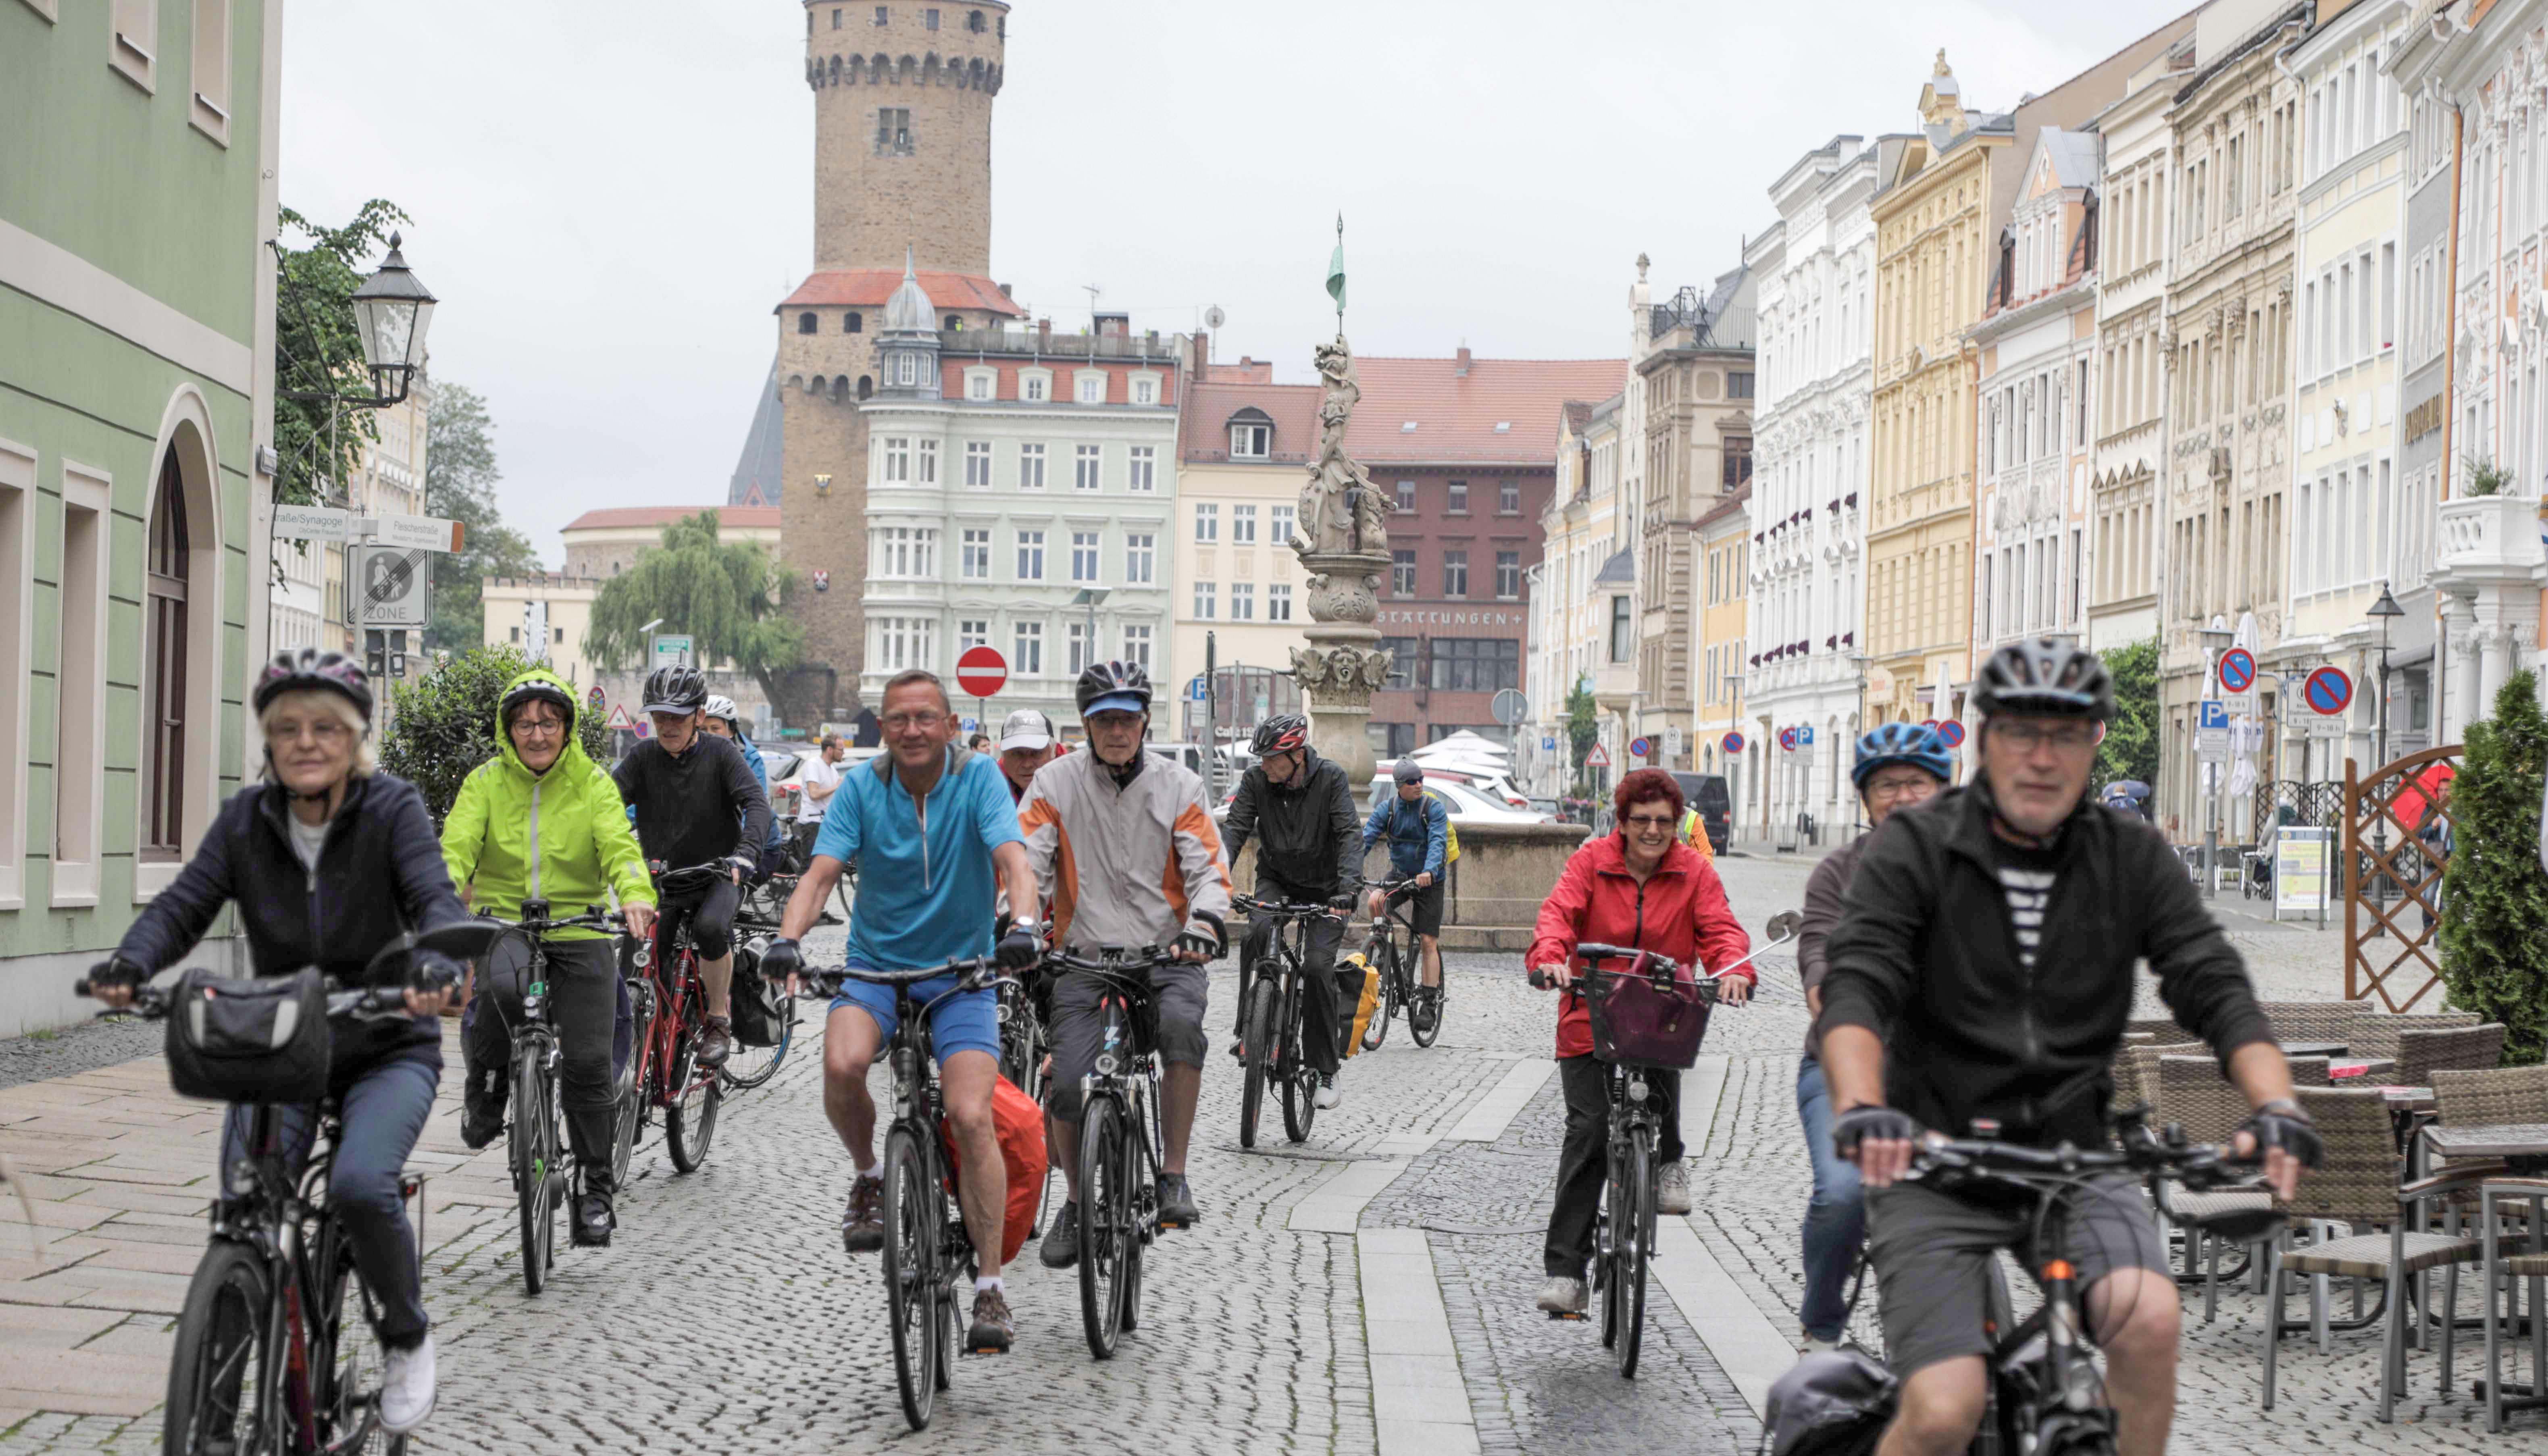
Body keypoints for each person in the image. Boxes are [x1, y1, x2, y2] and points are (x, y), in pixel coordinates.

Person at [1820, 637, 2317, 1456]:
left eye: (2067, 735)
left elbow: (2212, 984)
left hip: (2076, 1158)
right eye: (2021, 733)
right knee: (1945, 1408)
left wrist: (2276, 1105)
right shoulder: (1915, 848)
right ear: (1984, 740)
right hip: (1934, 1164)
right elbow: (1858, 989)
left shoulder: (2129, 857)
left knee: (2149, 1321)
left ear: (2093, 746)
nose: (2041, 757)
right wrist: (1864, 1108)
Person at [84, 651, 467, 1436]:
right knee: (242, 1216)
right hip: (281, 1044)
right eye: (287, 727)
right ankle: (213, 1427)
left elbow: (432, 896)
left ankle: (406, 1336)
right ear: (268, 739)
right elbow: (185, 903)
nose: (305, 741)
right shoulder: (244, 821)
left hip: (384, 1040)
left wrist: (434, 965)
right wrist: (131, 962)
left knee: (361, 1185)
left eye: (326, 727)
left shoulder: (392, 810)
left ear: (355, 739)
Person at [758, 669, 1044, 1352]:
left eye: (925, 717)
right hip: (876, 970)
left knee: (973, 1114)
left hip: (961, 977)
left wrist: (1024, 925)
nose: (912, 730)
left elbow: (1013, 860)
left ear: (949, 724)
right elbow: (820, 873)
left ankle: (990, 1286)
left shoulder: (977, 781)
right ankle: (868, 1175)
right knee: (842, 1061)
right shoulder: (862, 788)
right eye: (898, 719)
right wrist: (785, 940)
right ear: (882, 728)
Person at [1024, 662, 1232, 1265]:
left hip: (1168, 952)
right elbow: (1027, 863)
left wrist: (1205, 924)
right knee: (1065, 1083)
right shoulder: (1053, 784)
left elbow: (1208, 870)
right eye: (1104, 720)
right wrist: (1016, 924)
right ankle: (1071, 1200)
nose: (1117, 731)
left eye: (1127, 719)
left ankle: (1173, 1175)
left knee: (1181, 1031)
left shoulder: (1180, 786)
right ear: (1087, 726)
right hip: (1083, 956)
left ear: (1144, 723)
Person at [1524, 768, 1751, 1316]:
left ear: (1678, 825)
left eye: (1664, 822)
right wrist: (1552, 957)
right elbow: (1558, 914)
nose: (1653, 831)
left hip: (1658, 1011)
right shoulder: (1590, 863)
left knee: (1662, 1060)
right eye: (1642, 821)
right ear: (1622, 823)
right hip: (1589, 1011)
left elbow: (1720, 929)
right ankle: (1567, 1275)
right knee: (1588, 1133)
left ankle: (1669, 1158)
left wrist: (1733, 969)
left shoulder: (1694, 872)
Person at [442, 668, 656, 1245]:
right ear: (508, 730)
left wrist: (635, 893)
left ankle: (595, 1191)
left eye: (549, 722)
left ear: (566, 728)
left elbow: (619, 844)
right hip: (506, 923)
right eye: (525, 724)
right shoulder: (485, 783)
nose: (537, 734)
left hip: (580, 927)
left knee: (588, 1061)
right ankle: (486, 1095)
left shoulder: (592, 783)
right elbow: (457, 846)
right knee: (496, 1007)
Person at [1789, 723, 1951, 1353]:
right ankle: (1822, 1328)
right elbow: (1823, 976)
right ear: (1866, 799)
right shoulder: (1838, 876)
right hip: (1841, 1073)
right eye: (1887, 785)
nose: (1902, 796)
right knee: (1844, 1193)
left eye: (1916, 782)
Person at [611, 665, 772, 1069]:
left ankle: (717, 1019)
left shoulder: (721, 754)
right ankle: (635, 1040)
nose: (667, 726)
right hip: (662, 879)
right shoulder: (642, 757)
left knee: (710, 929)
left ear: (699, 716)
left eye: (677, 717)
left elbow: (756, 804)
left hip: (718, 874)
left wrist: (747, 853)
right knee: (640, 948)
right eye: (659, 717)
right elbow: (603, 805)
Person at [1222, 714, 1361, 1109]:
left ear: (1297, 756)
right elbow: (1233, 830)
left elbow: (1350, 834)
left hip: (1329, 889)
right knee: (1255, 933)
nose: (1264, 766)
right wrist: (1211, 879)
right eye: (1261, 758)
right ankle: (1248, 1030)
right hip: (1277, 879)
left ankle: (1324, 1068)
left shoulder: (1330, 779)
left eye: (1271, 759)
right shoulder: (1255, 782)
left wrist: (1348, 889)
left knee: (1317, 967)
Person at [1361, 759, 1448, 1007]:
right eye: (1412, 781)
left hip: (1430, 880)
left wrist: (1429, 871)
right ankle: (1384, 947)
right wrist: (1350, 869)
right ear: (1400, 785)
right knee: (1375, 900)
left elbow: (1438, 842)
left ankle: (1430, 1002)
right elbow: (1365, 840)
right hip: (1400, 874)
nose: (1419, 785)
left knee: (1428, 941)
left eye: (1421, 779)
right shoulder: (1387, 810)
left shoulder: (1433, 808)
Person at [702, 694, 789, 882]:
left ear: (731, 730)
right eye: (702, 729)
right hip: (718, 846)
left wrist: (744, 850)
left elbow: (755, 807)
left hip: (762, 848)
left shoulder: (749, 759)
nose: (708, 734)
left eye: (715, 728)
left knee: (726, 898)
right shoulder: (697, 755)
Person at [793, 732, 847, 865]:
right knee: (809, 867)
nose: (843, 753)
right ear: (830, 750)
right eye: (841, 750)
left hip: (825, 823)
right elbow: (814, 794)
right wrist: (836, 787)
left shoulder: (832, 770)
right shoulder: (814, 764)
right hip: (812, 822)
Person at [998, 708, 1061, 804]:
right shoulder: (987, 790)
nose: (1027, 765)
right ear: (1004, 757)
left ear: (1053, 752)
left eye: (1037, 753)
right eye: (1017, 754)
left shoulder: (1073, 786)